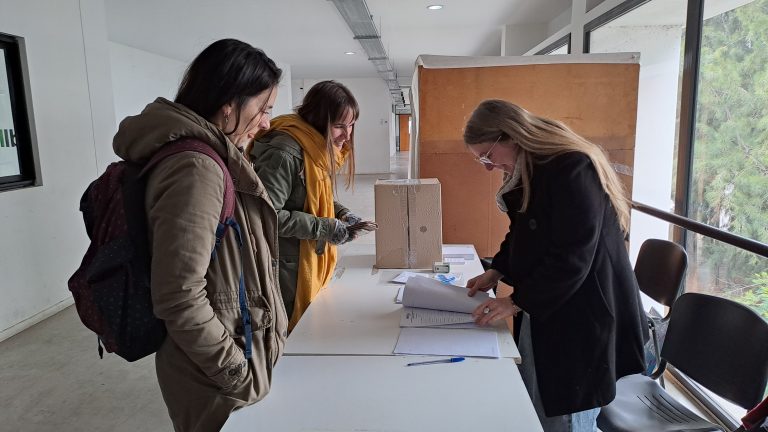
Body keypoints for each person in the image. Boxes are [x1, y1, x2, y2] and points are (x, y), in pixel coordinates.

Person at [111, 39, 288, 431]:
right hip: (213, 375)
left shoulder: (210, 157)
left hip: (225, 357)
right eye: (263, 109)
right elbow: (179, 295)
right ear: (228, 104)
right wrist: (234, 371)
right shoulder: (196, 167)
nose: (266, 123)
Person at [463, 99, 648, 431]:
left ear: (511, 136)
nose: (488, 167)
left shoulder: (571, 167)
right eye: (481, 160)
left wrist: (515, 301)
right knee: (541, 404)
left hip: (582, 315)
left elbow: (572, 257)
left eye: (488, 155)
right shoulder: (533, 169)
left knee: (568, 414)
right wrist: (497, 270)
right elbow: (523, 232)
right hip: (548, 303)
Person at [247, 80, 376, 331]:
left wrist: (342, 213)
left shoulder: (313, 147)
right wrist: (326, 228)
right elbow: (266, 216)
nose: (347, 135)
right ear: (317, 119)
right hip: (287, 269)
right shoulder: (285, 152)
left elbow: (313, 195)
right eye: (339, 126)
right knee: (293, 334)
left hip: (305, 260)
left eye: (351, 125)